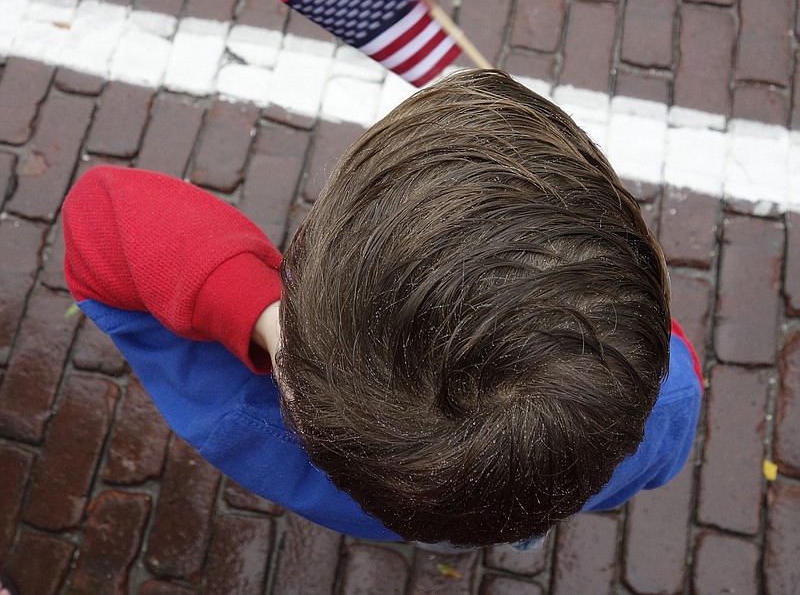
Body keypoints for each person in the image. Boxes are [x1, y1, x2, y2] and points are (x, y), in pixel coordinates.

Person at [62, 69, 702, 548]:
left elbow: (102, 213)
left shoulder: (242, 418)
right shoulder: (668, 404)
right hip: (526, 499)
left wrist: (269, 322)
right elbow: (666, 369)